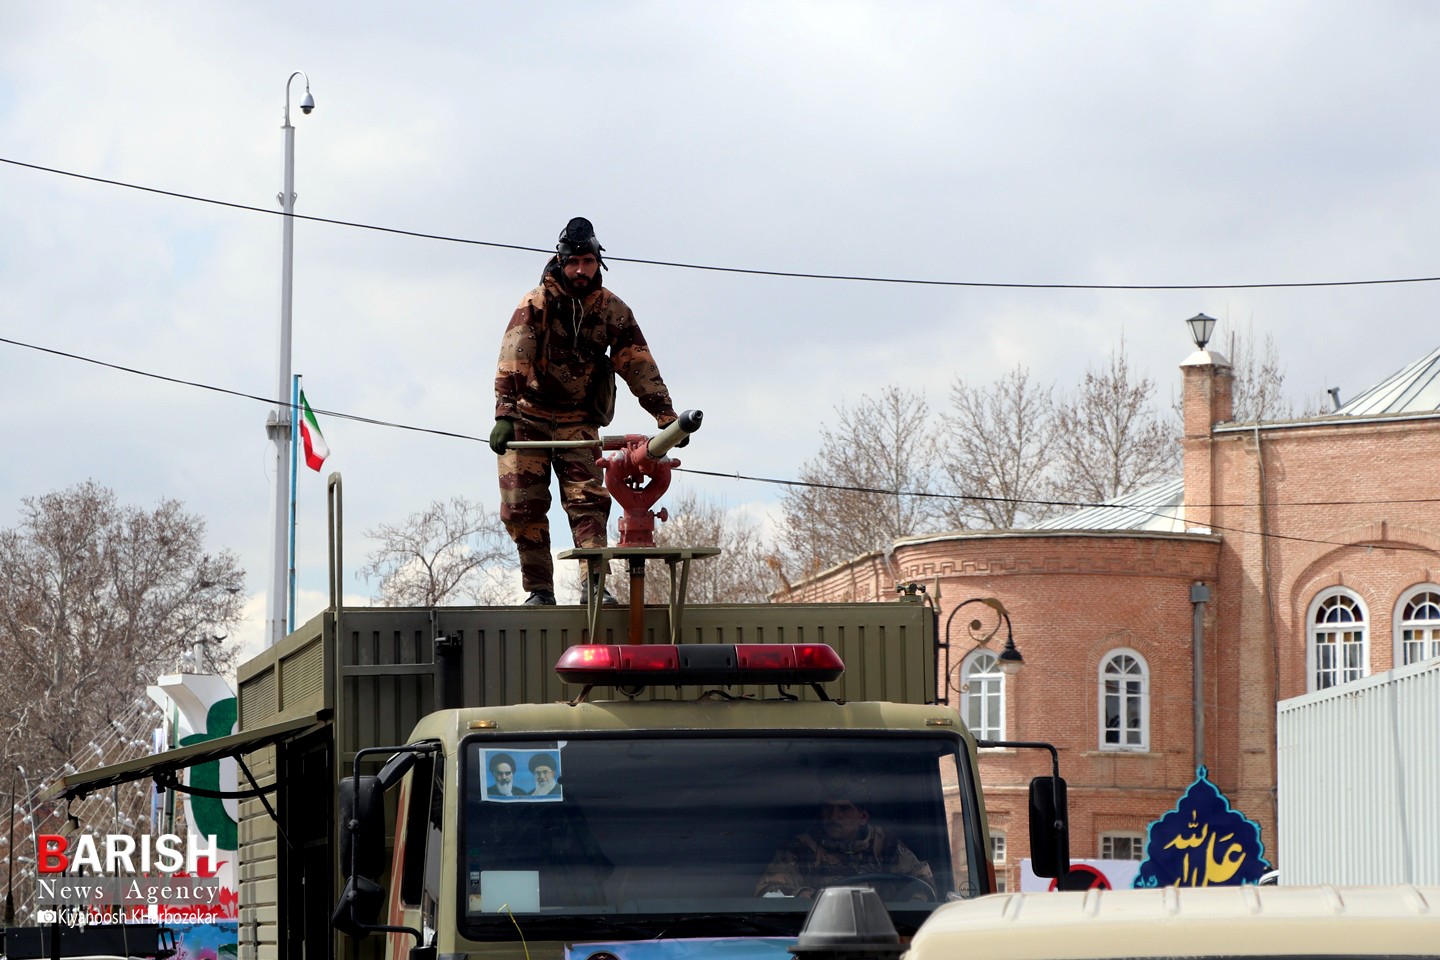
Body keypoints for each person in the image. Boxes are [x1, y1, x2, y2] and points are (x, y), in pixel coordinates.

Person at [490, 217, 680, 607]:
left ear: (599, 263)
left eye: (588, 262)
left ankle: (594, 585)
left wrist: (665, 415)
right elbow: (515, 355)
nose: (581, 270)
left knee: (589, 502)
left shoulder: (611, 309)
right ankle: (540, 590)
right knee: (521, 506)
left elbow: (636, 361)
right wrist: (504, 414)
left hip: (579, 419)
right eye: (574, 262)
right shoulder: (537, 304)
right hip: (529, 417)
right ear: (561, 261)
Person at [756, 784, 935, 900]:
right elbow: (768, 892)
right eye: (828, 808)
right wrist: (799, 895)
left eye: (844, 809)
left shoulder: (886, 843)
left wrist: (914, 903)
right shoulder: (800, 848)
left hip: (884, 932)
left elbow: (922, 881)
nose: (833, 817)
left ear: (863, 817)